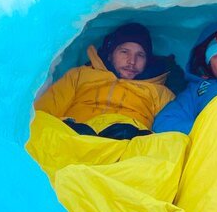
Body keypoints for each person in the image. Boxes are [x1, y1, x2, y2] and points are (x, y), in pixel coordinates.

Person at [35, 22, 174, 139]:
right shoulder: (80, 76)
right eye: (124, 52)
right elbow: (43, 112)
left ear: (147, 61)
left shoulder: (160, 92)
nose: (132, 61)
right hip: (74, 138)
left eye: (140, 55)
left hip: (126, 146)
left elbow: (169, 134)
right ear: (110, 54)